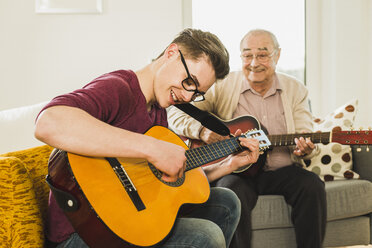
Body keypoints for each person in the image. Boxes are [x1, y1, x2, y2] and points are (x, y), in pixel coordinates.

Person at [34, 28, 261, 248]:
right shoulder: (119, 88)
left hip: (126, 221)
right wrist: (153, 148)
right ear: (171, 53)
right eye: (189, 81)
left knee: (226, 203)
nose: (187, 96)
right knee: (206, 236)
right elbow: (48, 122)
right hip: (82, 232)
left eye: (197, 92)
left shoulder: (158, 111)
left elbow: (175, 185)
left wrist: (230, 164)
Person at [167, 29, 327, 248]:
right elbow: (175, 112)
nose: (254, 63)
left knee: (312, 185)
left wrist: (306, 149)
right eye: (247, 55)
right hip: (237, 171)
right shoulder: (222, 85)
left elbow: (304, 131)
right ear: (240, 57)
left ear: (277, 56)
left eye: (262, 55)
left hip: (281, 172)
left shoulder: (295, 88)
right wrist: (202, 132)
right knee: (229, 191)